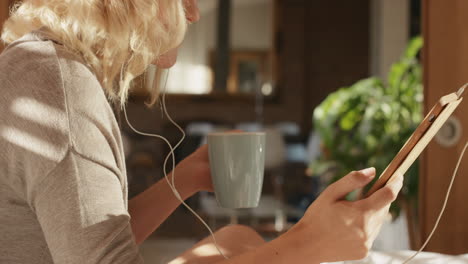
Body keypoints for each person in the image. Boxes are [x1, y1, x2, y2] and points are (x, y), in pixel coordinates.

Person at [0, 0, 403, 263]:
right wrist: (304, 244)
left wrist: (185, 178)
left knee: (235, 239)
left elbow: (87, 244)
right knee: (239, 243)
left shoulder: (40, 67)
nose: (193, 14)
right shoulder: (58, 84)